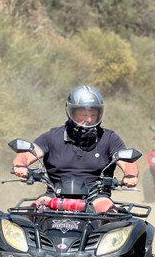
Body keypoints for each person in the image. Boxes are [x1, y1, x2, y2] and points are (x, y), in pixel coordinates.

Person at [12, 85, 139, 213]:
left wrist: (130, 175)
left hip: (96, 197)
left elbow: (128, 162)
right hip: (55, 195)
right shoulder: (52, 137)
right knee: (31, 214)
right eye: (83, 115)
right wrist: (20, 166)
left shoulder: (109, 138)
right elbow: (27, 154)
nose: (88, 120)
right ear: (71, 113)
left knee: (110, 213)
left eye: (93, 115)